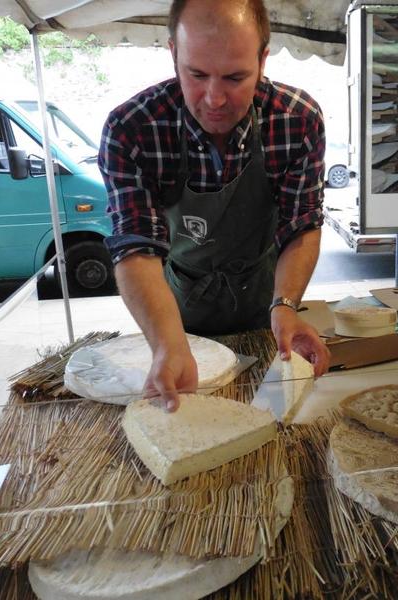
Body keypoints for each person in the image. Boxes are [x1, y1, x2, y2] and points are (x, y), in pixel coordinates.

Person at [99, 0, 330, 410]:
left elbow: (301, 225)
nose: (215, 99)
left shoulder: (297, 120)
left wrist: (287, 305)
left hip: (267, 310)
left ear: (262, 59)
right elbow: (135, 247)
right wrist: (168, 344)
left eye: (235, 77)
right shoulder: (133, 129)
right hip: (176, 318)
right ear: (173, 54)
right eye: (197, 74)